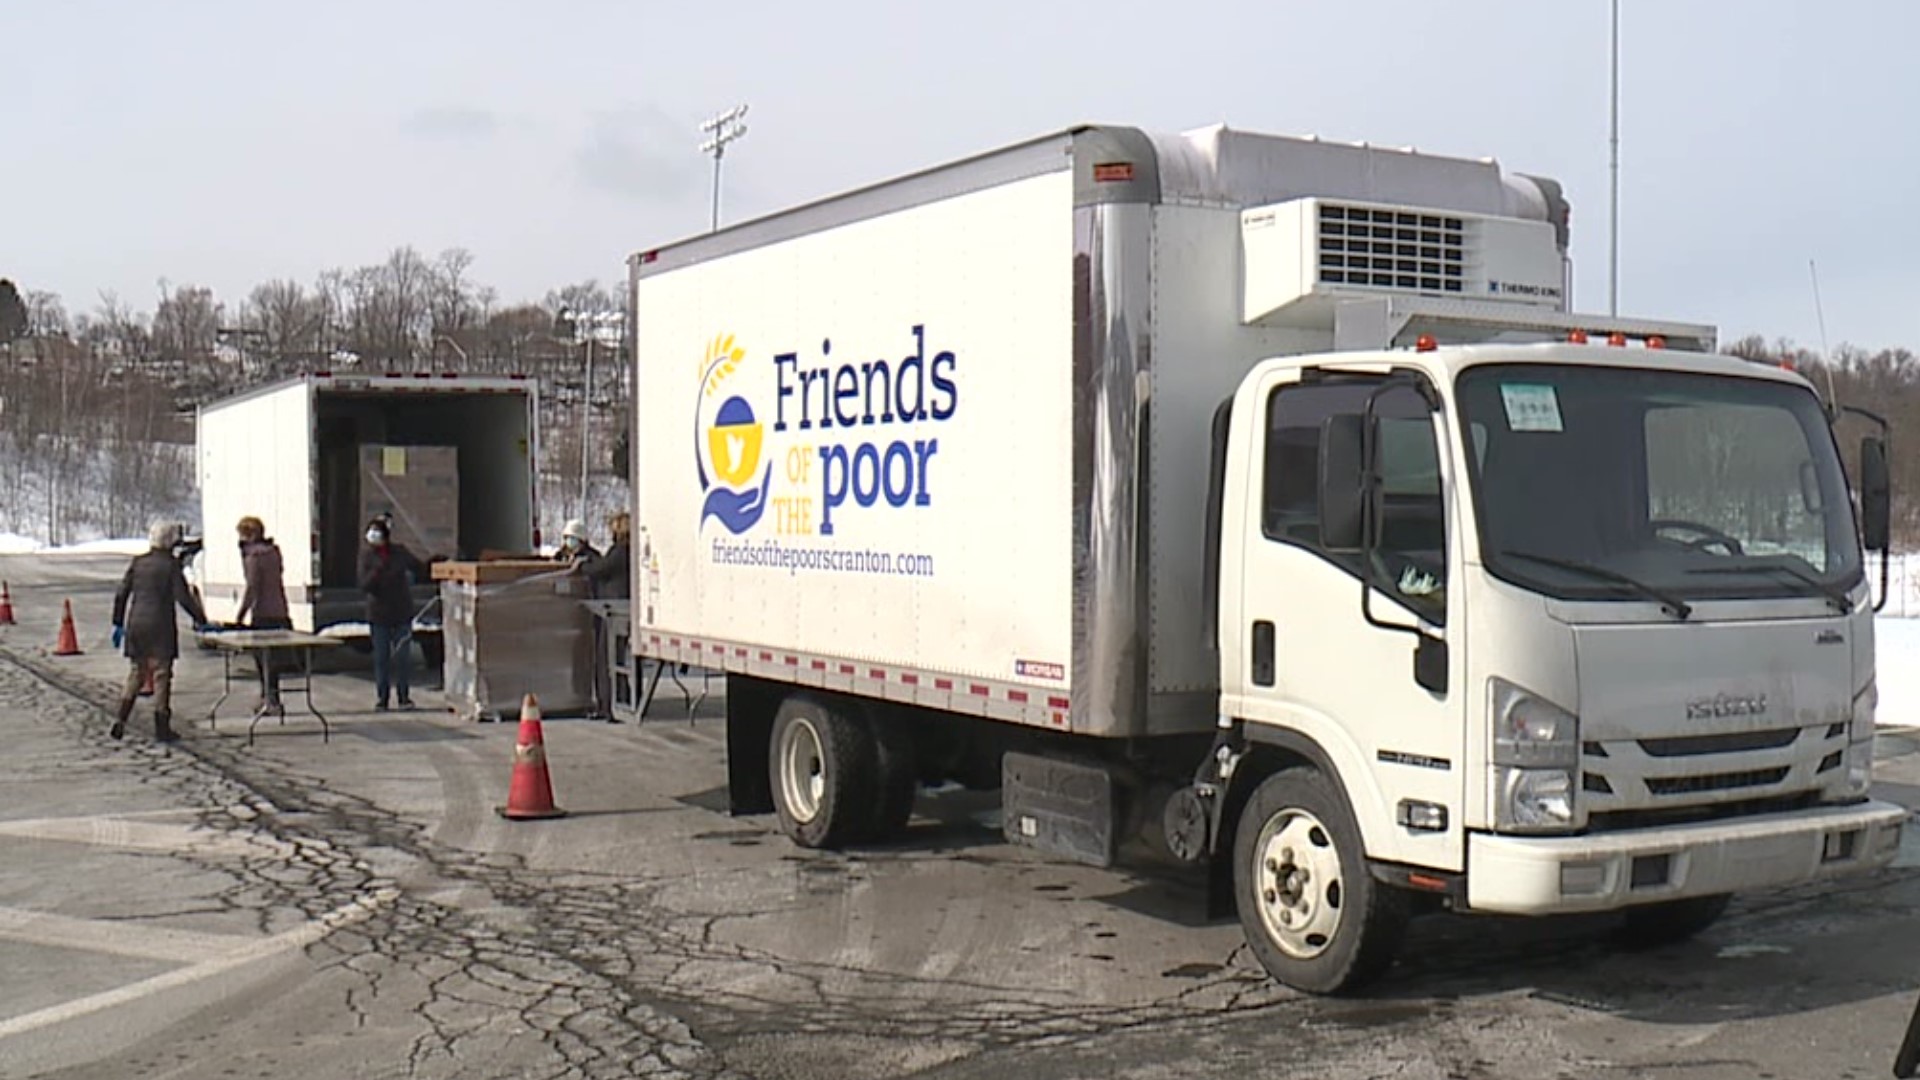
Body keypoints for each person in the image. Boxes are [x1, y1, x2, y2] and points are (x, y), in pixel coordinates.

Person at [110, 522, 210, 742]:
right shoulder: (170, 565)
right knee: (161, 675)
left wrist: (117, 622)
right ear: (170, 541)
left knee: (136, 672)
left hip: (136, 623)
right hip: (160, 625)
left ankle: (121, 718)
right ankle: (161, 726)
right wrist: (201, 620)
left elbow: (121, 593)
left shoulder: (138, 563)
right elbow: (183, 597)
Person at [357, 516, 426, 711]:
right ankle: (382, 698)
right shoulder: (367, 556)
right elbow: (364, 585)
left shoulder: (400, 552)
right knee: (382, 658)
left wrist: (435, 563)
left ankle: (404, 697)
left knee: (403, 658)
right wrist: (377, 570)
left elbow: (418, 567)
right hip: (378, 615)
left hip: (401, 612)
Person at [234, 516, 291, 713]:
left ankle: (269, 699)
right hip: (280, 610)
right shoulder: (274, 552)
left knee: (262, 661)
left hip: (262, 613)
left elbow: (252, 587)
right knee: (274, 660)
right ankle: (272, 698)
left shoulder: (253, 557)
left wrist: (240, 615)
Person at [581, 512, 631, 600]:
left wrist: (583, 566)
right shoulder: (630, 549)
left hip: (616, 599)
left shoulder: (621, 550)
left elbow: (603, 568)